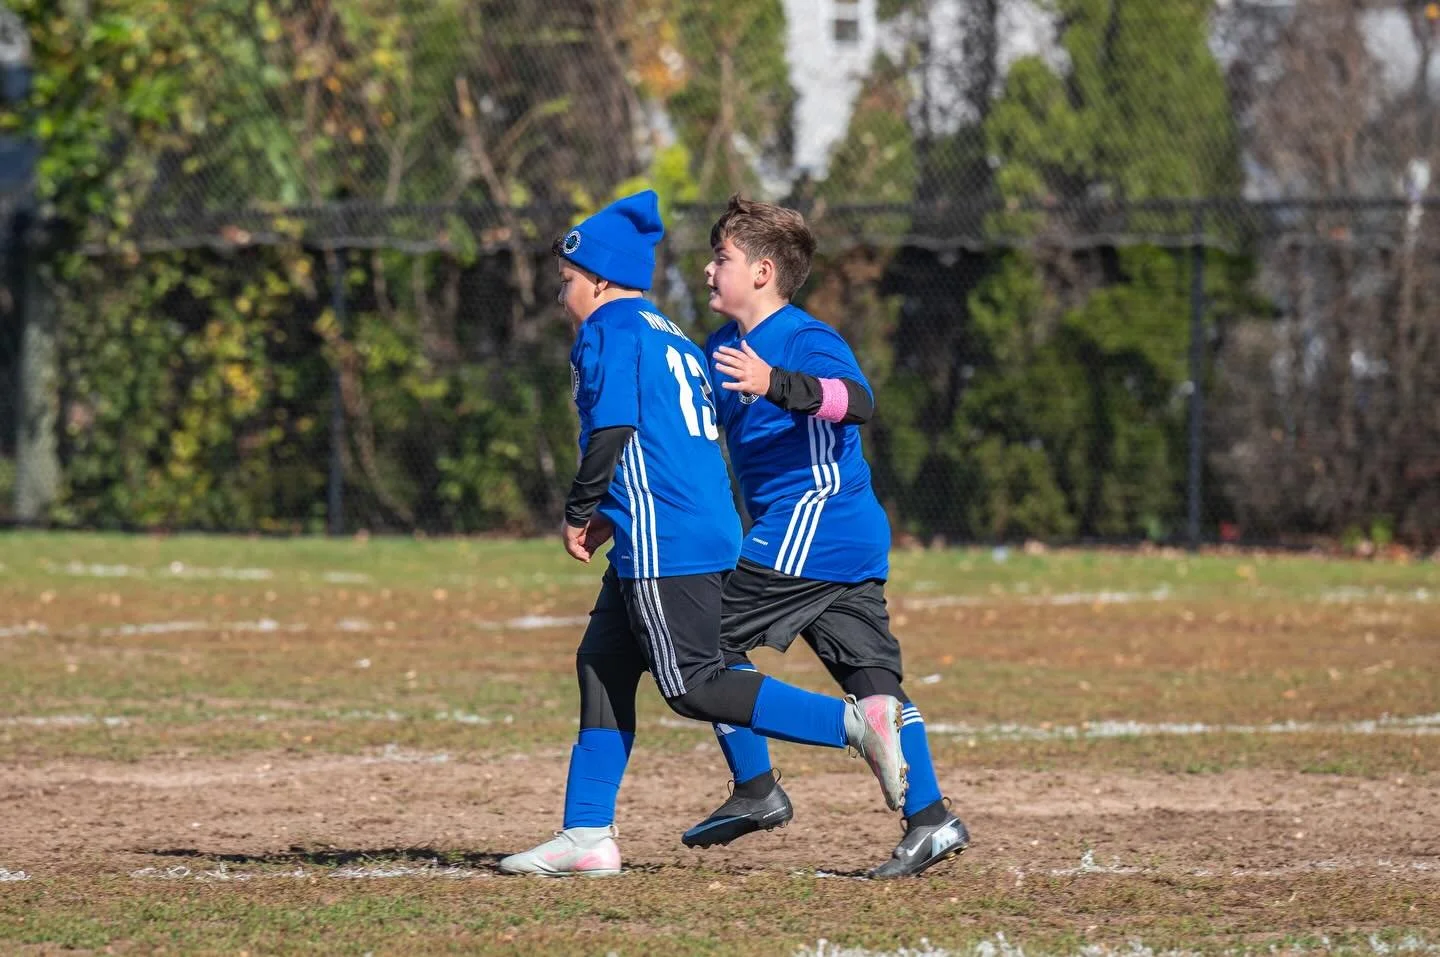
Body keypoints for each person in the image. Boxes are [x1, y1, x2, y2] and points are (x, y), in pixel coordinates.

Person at [498, 190, 908, 878]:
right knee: (602, 662)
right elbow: (674, 442)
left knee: (691, 683)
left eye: (565, 281)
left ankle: (853, 726)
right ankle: (588, 833)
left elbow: (614, 430)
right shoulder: (667, 331)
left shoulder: (610, 329)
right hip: (683, 525)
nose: (559, 293)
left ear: (596, 280)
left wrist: (579, 507)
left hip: (667, 538)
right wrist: (612, 514)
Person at [682, 195, 971, 879]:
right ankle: (929, 816)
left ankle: (757, 788)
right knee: (872, 680)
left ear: (761, 271)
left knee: (695, 641)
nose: (705, 270)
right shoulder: (718, 350)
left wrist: (775, 382)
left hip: (814, 524)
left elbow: (859, 401)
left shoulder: (804, 339)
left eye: (720, 257)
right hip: (841, 537)